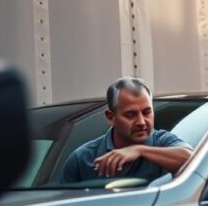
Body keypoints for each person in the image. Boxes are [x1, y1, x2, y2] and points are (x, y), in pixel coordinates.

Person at [60, 78, 193, 184]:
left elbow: (193, 161)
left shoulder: (163, 141)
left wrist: (139, 150)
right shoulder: (82, 159)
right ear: (110, 117)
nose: (141, 122)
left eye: (147, 112)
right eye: (131, 115)